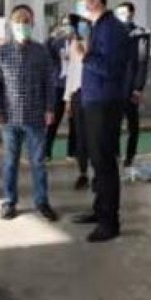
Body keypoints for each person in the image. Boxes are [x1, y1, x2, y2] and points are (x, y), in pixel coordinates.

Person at [71, 0, 131, 242]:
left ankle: (110, 222)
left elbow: (111, 69)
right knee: (97, 160)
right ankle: (99, 210)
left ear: (95, 0)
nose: (79, 4)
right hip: (93, 100)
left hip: (105, 103)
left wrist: (84, 56)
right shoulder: (98, 27)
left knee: (105, 163)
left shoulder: (112, 29)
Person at [0, 4, 59, 222]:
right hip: (9, 118)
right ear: (11, 25)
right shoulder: (1, 52)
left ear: (33, 24)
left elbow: (49, 83)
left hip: (36, 117)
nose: (22, 26)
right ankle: (9, 201)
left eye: (26, 21)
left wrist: (50, 108)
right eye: (18, 22)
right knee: (10, 162)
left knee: (38, 162)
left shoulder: (41, 51)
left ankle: (42, 201)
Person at [115, 1, 151, 168]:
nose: (122, 16)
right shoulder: (113, 33)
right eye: (119, 13)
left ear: (132, 13)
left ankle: (130, 157)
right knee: (113, 124)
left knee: (132, 125)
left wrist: (138, 87)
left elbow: (142, 62)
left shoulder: (140, 35)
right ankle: (115, 154)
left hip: (130, 88)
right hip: (114, 88)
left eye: (124, 12)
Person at [63, 17, 92, 190]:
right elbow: (72, 72)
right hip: (77, 94)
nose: (82, 30)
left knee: (94, 135)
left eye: (85, 26)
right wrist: (68, 98)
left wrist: (84, 54)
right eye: (80, 27)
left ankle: (99, 173)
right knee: (80, 135)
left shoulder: (97, 45)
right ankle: (83, 173)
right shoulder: (75, 44)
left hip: (94, 95)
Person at [45, 16, 76, 161]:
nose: (66, 27)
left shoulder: (79, 42)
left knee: (74, 120)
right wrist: (52, 36)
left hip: (74, 85)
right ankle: (46, 151)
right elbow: (46, 53)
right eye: (64, 24)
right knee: (54, 119)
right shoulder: (56, 42)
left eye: (69, 24)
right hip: (59, 85)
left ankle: (72, 152)